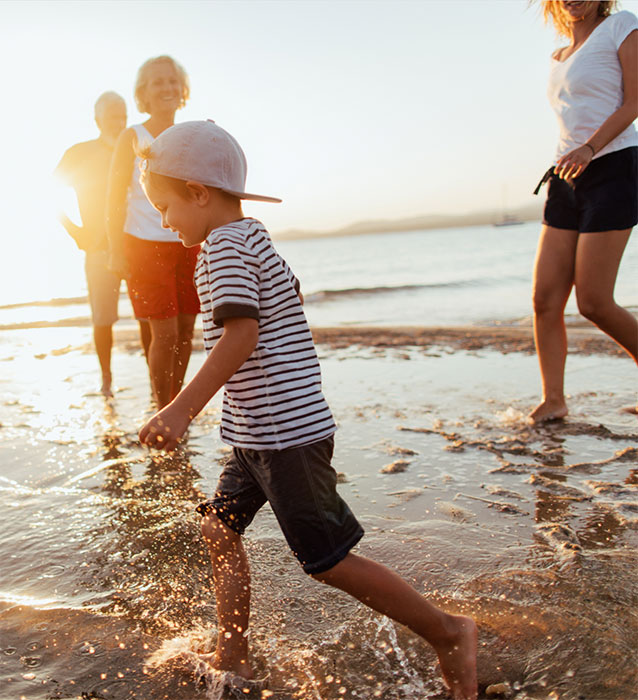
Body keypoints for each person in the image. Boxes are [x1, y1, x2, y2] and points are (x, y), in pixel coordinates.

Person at [136, 121, 478, 700]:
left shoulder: (222, 247)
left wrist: (180, 409)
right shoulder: (254, 237)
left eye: (165, 206)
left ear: (198, 192)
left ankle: (448, 632)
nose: (164, 222)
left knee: (327, 561)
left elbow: (241, 335)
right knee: (218, 529)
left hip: (284, 436)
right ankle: (232, 654)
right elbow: (288, 303)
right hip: (257, 434)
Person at [530, 0, 638, 422]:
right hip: (565, 174)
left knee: (593, 301)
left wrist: (591, 148)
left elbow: (633, 103)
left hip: (612, 168)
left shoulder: (622, 27)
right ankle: (554, 401)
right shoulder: (558, 56)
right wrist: (574, 157)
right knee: (544, 299)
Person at [107, 56, 200, 408]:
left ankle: (175, 404)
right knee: (165, 334)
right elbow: (114, 198)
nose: (167, 88)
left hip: (188, 244)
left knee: (187, 334)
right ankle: (163, 409)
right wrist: (116, 250)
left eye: (172, 81)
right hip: (143, 246)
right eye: (157, 82)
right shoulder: (133, 136)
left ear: (183, 89)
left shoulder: (191, 134)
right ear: (143, 92)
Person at [55, 92, 149, 397]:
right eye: (111, 116)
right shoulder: (79, 153)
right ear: (97, 120)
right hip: (98, 249)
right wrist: (75, 232)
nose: (118, 121)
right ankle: (107, 381)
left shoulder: (137, 149)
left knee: (148, 315)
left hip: (138, 243)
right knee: (103, 318)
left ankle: (154, 378)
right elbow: (49, 193)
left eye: (122, 115)